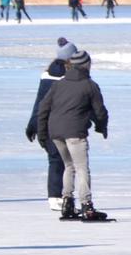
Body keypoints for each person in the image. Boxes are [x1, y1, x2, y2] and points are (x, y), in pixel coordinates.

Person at [36, 49, 110, 222]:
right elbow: (100, 111)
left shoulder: (59, 84)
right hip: (74, 132)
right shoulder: (89, 85)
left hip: (56, 133)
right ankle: (87, 206)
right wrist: (102, 127)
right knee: (82, 167)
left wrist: (42, 134)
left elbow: (43, 109)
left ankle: (67, 204)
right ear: (86, 65)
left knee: (69, 166)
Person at [26, 40, 73, 212]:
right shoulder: (69, 77)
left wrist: (32, 124)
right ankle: (58, 197)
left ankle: (56, 197)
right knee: (63, 161)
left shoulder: (46, 74)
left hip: (44, 124)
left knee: (56, 160)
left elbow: (39, 102)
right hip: (60, 124)